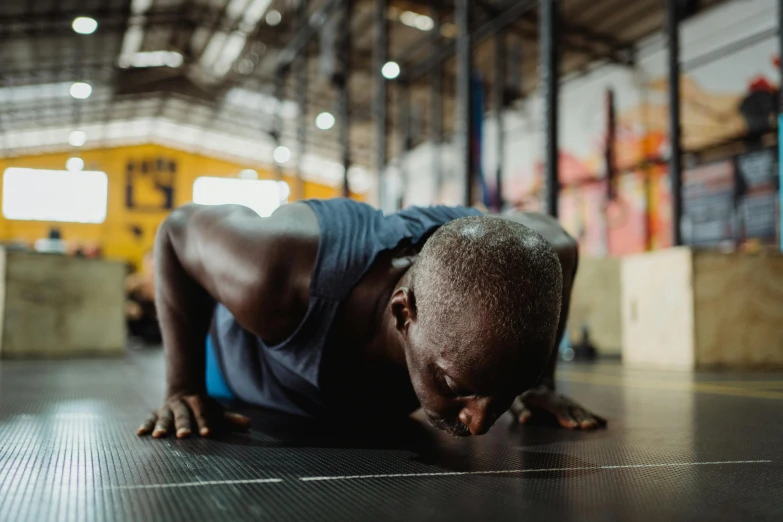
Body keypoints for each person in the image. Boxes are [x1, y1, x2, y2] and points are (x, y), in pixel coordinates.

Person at [137, 198, 605, 440]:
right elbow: (177, 230)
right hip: (240, 362)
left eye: (504, 393)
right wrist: (184, 386)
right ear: (404, 312)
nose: (481, 423)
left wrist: (538, 382)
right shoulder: (277, 270)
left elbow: (561, 242)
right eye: (459, 386)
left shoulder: (531, 257)